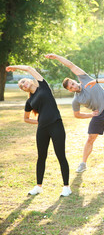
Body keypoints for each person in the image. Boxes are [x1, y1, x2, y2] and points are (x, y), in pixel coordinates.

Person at [44, 54, 104, 172]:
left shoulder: (86, 79)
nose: (74, 86)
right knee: (90, 139)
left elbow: (71, 65)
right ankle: (83, 164)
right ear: (69, 90)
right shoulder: (76, 100)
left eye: (73, 83)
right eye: (71, 87)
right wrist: (90, 115)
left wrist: (57, 57)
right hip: (97, 116)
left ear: (74, 81)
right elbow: (76, 114)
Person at [6, 65, 71, 197]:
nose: (23, 85)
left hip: (56, 125)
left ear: (30, 80)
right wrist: (39, 122)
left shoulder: (43, 86)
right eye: (21, 86)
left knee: (61, 156)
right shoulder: (29, 101)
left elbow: (29, 68)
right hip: (42, 129)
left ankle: (66, 187)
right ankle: (38, 186)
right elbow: (26, 118)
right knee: (41, 157)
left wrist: (14, 67)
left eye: (23, 81)